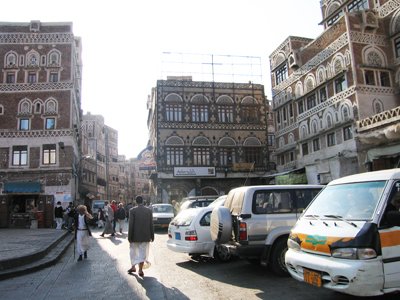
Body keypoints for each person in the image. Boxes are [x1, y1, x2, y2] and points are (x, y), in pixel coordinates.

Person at [127, 195, 154, 277]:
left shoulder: (132, 210)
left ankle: (133, 267)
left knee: (133, 252)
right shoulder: (149, 211)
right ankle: (140, 270)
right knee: (142, 253)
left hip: (135, 236)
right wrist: (152, 236)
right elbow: (151, 224)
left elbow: (130, 224)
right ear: (143, 201)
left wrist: (129, 237)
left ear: (136, 201)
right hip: (146, 236)